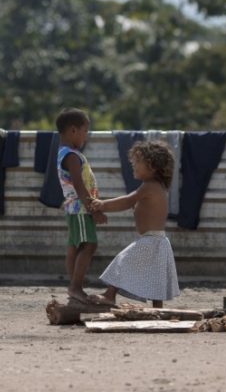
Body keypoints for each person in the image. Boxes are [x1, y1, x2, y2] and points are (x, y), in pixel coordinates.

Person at [89, 140, 180, 308]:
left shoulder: (148, 186)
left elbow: (126, 201)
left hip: (150, 241)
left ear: (152, 166)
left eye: (137, 162)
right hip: (158, 241)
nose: (133, 165)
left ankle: (110, 295)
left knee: (122, 260)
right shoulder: (157, 186)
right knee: (155, 275)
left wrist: (102, 205)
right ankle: (157, 308)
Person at [55, 108, 107, 303]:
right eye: (85, 131)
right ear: (73, 131)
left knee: (74, 247)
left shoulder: (67, 153)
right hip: (80, 209)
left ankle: (73, 286)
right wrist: (94, 209)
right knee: (89, 245)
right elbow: (79, 185)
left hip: (74, 208)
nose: (86, 136)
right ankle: (76, 287)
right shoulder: (71, 156)